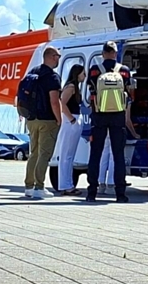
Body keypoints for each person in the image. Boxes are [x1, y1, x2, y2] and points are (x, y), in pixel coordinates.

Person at [86, 41, 133, 203]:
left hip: (99, 115)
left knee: (95, 154)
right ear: (115, 53)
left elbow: (91, 91)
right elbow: (128, 92)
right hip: (118, 116)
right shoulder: (124, 71)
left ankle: (92, 192)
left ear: (103, 53)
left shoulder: (94, 70)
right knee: (118, 154)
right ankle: (120, 193)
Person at [23, 46, 62, 199]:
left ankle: (28, 186)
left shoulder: (32, 72)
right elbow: (54, 101)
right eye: (57, 56)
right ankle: (39, 187)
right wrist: (59, 119)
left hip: (31, 119)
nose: (58, 58)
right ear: (52, 56)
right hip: (47, 120)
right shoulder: (52, 77)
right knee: (44, 154)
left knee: (34, 153)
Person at [55, 64, 85, 195]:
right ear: (77, 73)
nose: (84, 76)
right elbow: (62, 103)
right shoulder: (71, 87)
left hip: (74, 120)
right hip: (70, 121)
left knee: (70, 155)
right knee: (66, 154)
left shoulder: (75, 87)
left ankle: (68, 184)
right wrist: (71, 119)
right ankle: (65, 185)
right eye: (83, 73)